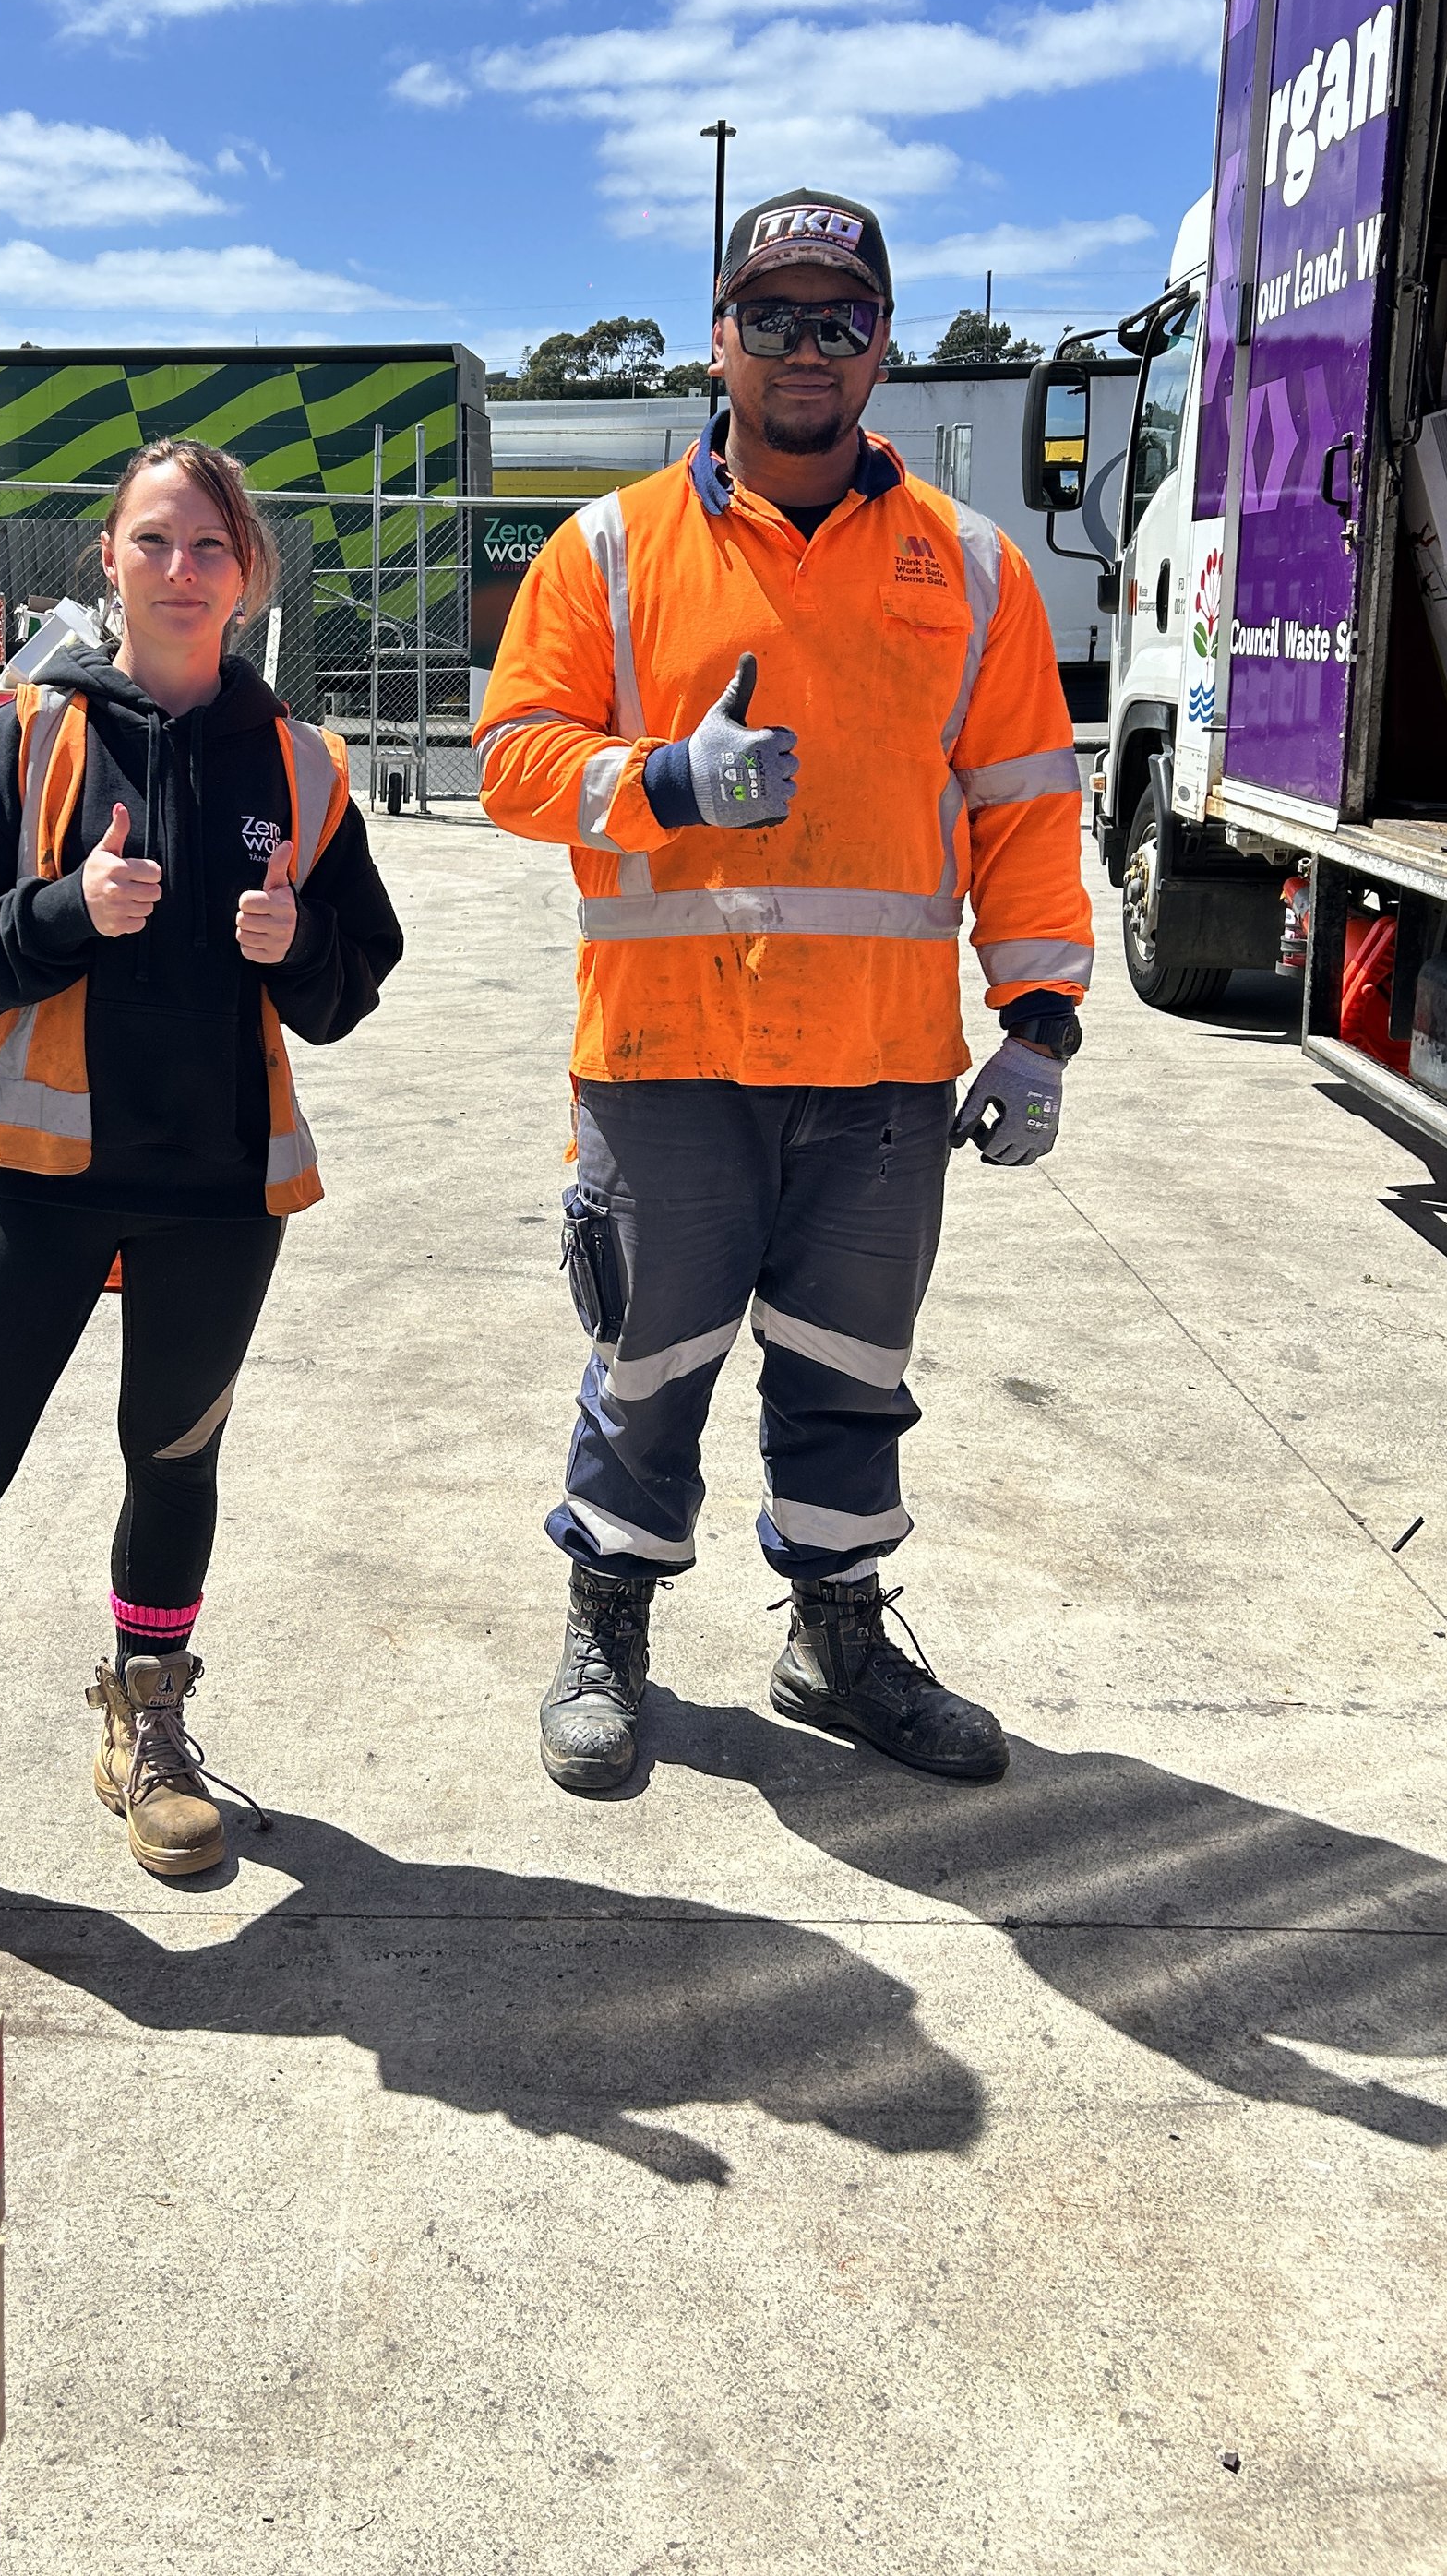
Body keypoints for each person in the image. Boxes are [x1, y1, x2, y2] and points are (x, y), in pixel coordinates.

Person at [475, 187, 1091, 1795]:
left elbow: (1025, 803)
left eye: (841, 318)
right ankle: (608, 1620)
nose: (806, 348)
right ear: (719, 341)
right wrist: (668, 776)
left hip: (883, 1072)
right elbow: (512, 763)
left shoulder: (972, 569)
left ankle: (836, 1637)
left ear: (883, 346)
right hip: (669, 1058)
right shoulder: (607, 552)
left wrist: (1038, 1020)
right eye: (774, 315)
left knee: (850, 1375)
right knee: (650, 1362)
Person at [0, 439, 403, 1959]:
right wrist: (66, 911)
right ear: (111, 564)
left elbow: (354, 981)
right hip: (37, 1180)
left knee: (173, 1460)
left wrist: (295, 953)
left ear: (247, 569)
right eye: (155, 541)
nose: (183, 568)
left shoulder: (306, 767)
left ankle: (148, 1725)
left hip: (217, 1188)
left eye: (211, 544)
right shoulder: (21, 737)